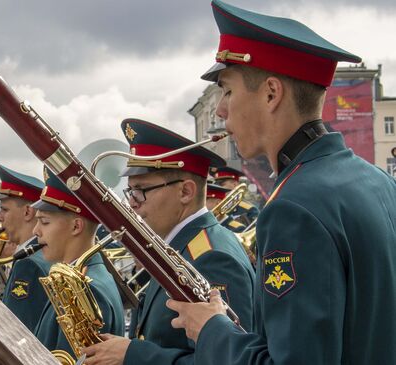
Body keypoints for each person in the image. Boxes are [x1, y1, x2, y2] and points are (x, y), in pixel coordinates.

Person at [167, 1, 396, 364]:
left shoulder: (292, 206)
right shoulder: (377, 180)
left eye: (227, 91)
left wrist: (211, 329)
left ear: (271, 93)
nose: (222, 110)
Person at [83, 118, 254, 365]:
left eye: (141, 190)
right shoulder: (178, 246)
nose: (132, 203)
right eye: (130, 191)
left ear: (185, 192)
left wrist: (132, 355)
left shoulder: (211, 257)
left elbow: (228, 359)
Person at [32, 167, 124, 356]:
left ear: (76, 226)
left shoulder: (87, 288)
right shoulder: (82, 278)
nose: (36, 231)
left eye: (45, 222)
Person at [0, 164, 51, 333]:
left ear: (27, 212)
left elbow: (17, 332)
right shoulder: (37, 255)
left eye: (4, 210)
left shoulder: (28, 264)